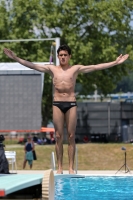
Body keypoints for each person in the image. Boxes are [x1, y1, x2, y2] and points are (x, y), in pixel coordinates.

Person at [3, 45, 129, 174]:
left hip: (71, 103)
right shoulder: (52, 69)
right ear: (58, 57)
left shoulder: (75, 69)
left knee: (71, 136)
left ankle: (70, 167)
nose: (63, 57)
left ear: (69, 56)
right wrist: (16, 58)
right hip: (57, 103)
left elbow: (95, 67)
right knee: (58, 136)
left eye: (65, 55)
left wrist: (115, 62)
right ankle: (59, 167)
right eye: (61, 55)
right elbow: (33, 65)